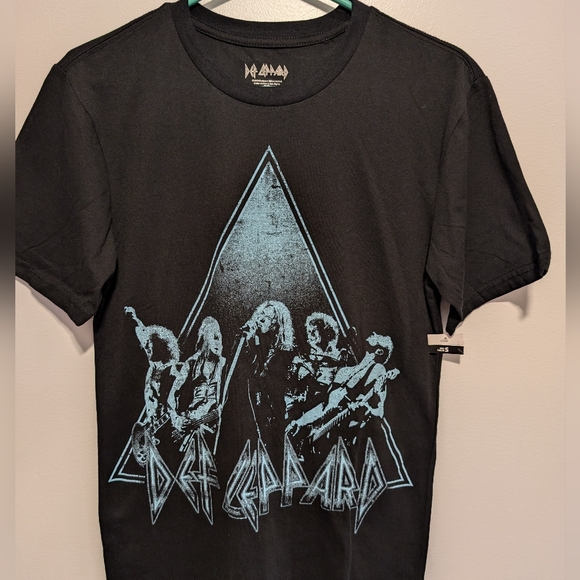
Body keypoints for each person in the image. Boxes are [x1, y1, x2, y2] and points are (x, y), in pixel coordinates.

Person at [168, 316, 226, 450]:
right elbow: (172, 395)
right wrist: (177, 420)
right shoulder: (192, 363)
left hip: (214, 426)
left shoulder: (224, 365)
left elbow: (227, 403)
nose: (218, 343)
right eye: (215, 338)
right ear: (205, 338)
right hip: (191, 422)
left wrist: (203, 420)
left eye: (220, 338)